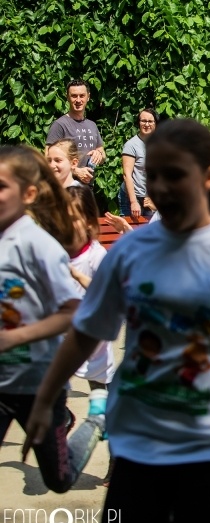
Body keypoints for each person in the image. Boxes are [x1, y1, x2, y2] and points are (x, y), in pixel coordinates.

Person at [23, 119, 210, 523]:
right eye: (154, 174)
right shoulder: (131, 250)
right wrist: (44, 400)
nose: (160, 186)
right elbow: (87, 332)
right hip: (138, 439)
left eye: (174, 174)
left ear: (209, 177)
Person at [0, 145, 104, 493]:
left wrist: (15, 337)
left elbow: (72, 310)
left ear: (28, 194)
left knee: (59, 479)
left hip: (39, 382)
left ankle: (96, 421)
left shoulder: (38, 245)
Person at [64, 184, 116, 484]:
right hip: (62, 341)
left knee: (106, 410)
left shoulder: (97, 256)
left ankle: (115, 462)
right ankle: (63, 421)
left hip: (94, 344)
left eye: (73, 216)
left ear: (88, 220)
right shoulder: (54, 252)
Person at [45, 79, 105, 185]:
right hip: (66, 186)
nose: (78, 100)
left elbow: (103, 154)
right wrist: (75, 171)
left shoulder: (92, 125)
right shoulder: (60, 125)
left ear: (88, 97)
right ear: (67, 97)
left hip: (88, 187)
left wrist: (99, 155)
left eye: (82, 96)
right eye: (74, 96)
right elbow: (47, 158)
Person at [120, 108, 158, 218]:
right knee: (131, 226)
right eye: (143, 121)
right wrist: (133, 202)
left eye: (150, 121)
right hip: (133, 195)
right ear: (138, 123)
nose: (147, 124)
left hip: (149, 197)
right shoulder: (131, 145)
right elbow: (127, 175)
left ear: (155, 124)